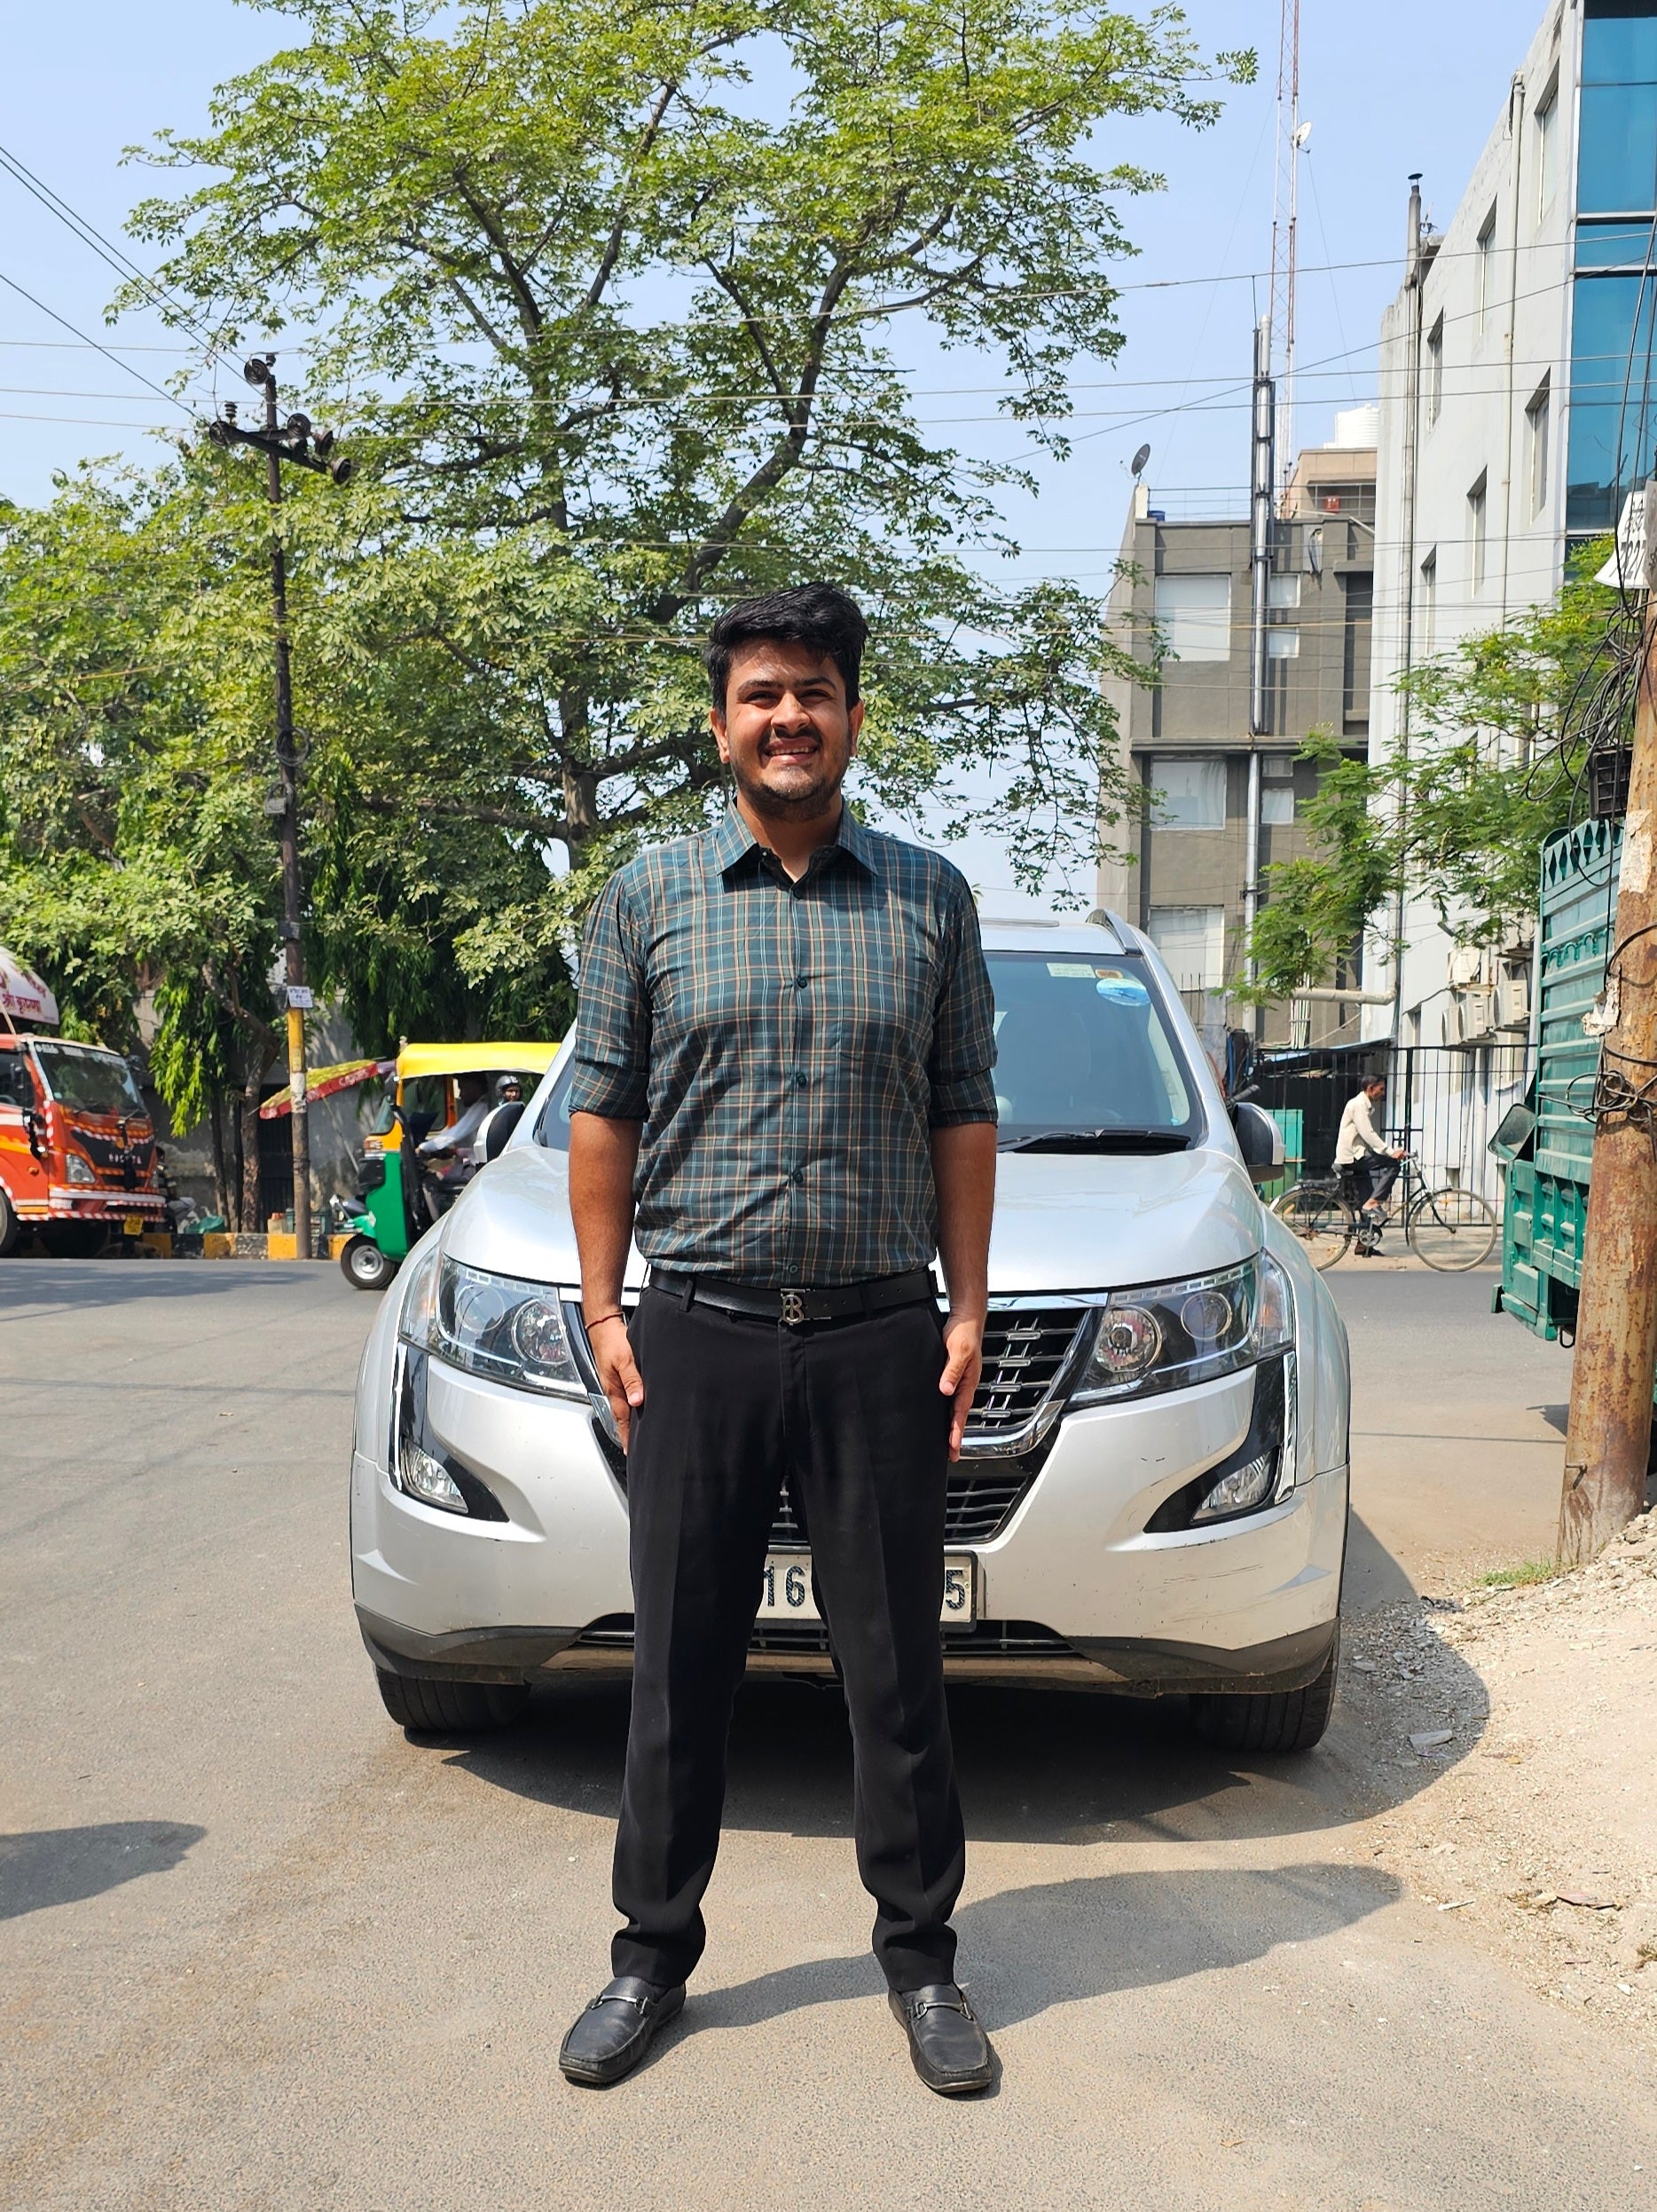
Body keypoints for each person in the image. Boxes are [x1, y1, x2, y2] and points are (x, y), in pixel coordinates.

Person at [559, 583, 1000, 2098]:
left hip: (877, 1336)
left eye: (812, 690)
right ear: (721, 720)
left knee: (895, 1668)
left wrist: (968, 1302)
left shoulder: (929, 897)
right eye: (760, 693)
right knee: (677, 1661)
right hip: (701, 1333)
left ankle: (924, 1961)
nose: (787, 717)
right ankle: (649, 1953)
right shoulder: (647, 896)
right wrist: (607, 1306)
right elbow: (602, 1109)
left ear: (851, 716)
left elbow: (961, 1107)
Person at [1334, 1075, 1405, 1252]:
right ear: (1370, 1088)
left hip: (1357, 1155)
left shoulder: (1364, 1105)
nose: (1383, 1093)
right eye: (1380, 1089)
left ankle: (1363, 1245)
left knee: (1365, 1200)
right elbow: (1368, 1134)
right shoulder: (1358, 1105)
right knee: (1393, 1164)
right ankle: (1374, 1202)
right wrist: (1390, 1152)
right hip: (1352, 1157)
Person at [417, 1071, 490, 1209]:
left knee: (435, 1180)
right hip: (476, 1164)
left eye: (462, 1088)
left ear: (474, 1087)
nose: (460, 1095)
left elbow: (454, 1134)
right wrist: (454, 1152)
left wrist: (423, 1148)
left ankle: (441, 1220)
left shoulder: (481, 1108)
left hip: (477, 1169)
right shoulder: (481, 1107)